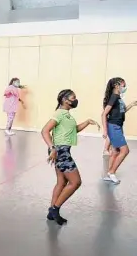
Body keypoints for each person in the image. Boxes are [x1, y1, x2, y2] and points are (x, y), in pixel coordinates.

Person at [41, 89, 100, 225]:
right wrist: (52, 148)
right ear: (65, 100)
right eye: (73, 98)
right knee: (75, 182)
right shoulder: (59, 114)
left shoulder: (67, 115)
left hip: (62, 149)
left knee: (61, 182)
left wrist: (87, 122)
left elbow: (74, 130)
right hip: (60, 151)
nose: (75, 100)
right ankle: (55, 209)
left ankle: (51, 212)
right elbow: (45, 131)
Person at [101, 77, 137, 184]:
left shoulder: (118, 98)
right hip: (113, 127)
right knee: (125, 150)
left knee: (116, 151)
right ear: (116, 85)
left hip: (118, 126)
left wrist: (131, 105)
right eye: (123, 85)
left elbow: (122, 111)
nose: (124, 87)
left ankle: (109, 173)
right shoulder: (114, 97)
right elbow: (104, 114)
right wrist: (105, 130)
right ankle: (112, 172)